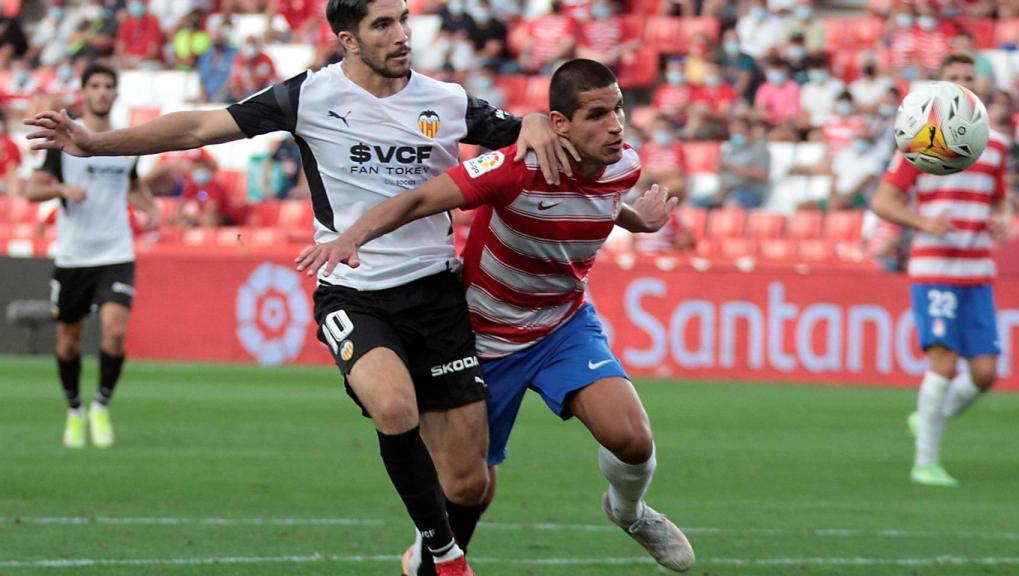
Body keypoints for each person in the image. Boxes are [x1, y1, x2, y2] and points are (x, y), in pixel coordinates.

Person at [26, 1, 574, 573]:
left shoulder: (447, 100)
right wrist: (94, 143)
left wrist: (537, 120)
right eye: (383, 24)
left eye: (404, 19)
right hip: (353, 292)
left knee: (469, 483)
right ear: (349, 40)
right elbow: (197, 127)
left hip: (436, 294)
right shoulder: (309, 95)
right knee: (393, 406)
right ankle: (446, 556)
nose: (402, 35)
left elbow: (525, 136)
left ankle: (425, 550)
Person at [296, 58, 695, 575]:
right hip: (482, 335)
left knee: (632, 439)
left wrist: (639, 221)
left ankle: (630, 512)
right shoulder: (513, 167)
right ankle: (429, 552)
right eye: (597, 115)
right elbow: (420, 199)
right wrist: (351, 237)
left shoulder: (625, 165)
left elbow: (599, 197)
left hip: (562, 325)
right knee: (471, 487)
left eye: (618, 109)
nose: (616, 125)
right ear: (560, 124)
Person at [870, 53, 1010, 487]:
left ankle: (929, 416)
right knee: (944, 363)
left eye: (969, 76)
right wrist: (922, 223)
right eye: (954, 77)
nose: (964, 82)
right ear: (941, 85)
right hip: (935, 267)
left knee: (985, 374)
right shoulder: (919, 137)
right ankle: (924, 463)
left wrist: (1002, 217)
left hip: (977, 268)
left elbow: (999, 198)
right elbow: (883, 201)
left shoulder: (995, 144)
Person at [25, 62, 159, 450]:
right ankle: (74, 409)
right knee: (69, 341)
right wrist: (62, 190)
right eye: (95, 85)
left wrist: (150, 207)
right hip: (73, 256)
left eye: (108, 86)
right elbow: (33, 189)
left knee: (114, 332)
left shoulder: (125, 142)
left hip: (116, 251)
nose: (102, 92)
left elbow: (130, 185)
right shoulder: (66, 140)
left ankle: (100, 406)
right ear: (84, 92)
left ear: (116, 93)